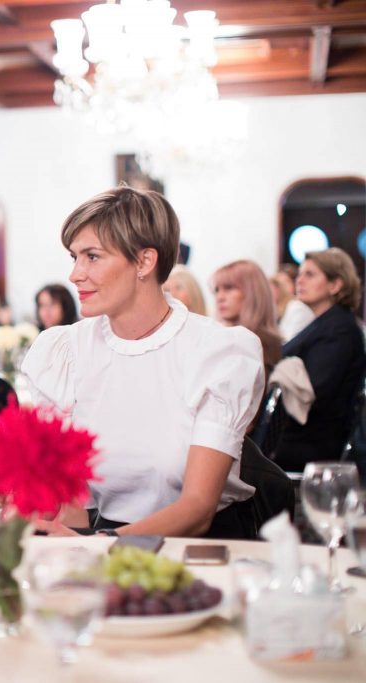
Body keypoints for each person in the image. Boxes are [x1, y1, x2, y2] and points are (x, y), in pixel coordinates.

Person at [23, 187, 264, 538]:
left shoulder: (215, 352)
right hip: (102, 541)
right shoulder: (66, 352)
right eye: (74, 257)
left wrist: (101, 545)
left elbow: (198, 508)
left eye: (92, 257)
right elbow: (72, 504)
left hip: (200, 547)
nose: (75, 274)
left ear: (144, 262)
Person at [272, 248, 366, 471]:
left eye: (310, 274)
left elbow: (315, 393)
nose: (299, 280)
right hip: (303, 435)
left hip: (313, 442)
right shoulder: (326, 324)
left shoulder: (339, 330)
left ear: (335, 285)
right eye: (299, 274)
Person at [212, 260, 283, 380]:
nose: (220, 297)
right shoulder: (220, 338)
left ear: (253, 292)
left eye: (229, 288)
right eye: (217, 290)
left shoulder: (260, 346)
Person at [270, 266, 314, 342]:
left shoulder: (298, 308)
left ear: (295, 285)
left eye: (285, 283)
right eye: (277, 283)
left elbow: (289, 342)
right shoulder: (276, 311)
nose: (281, 288)